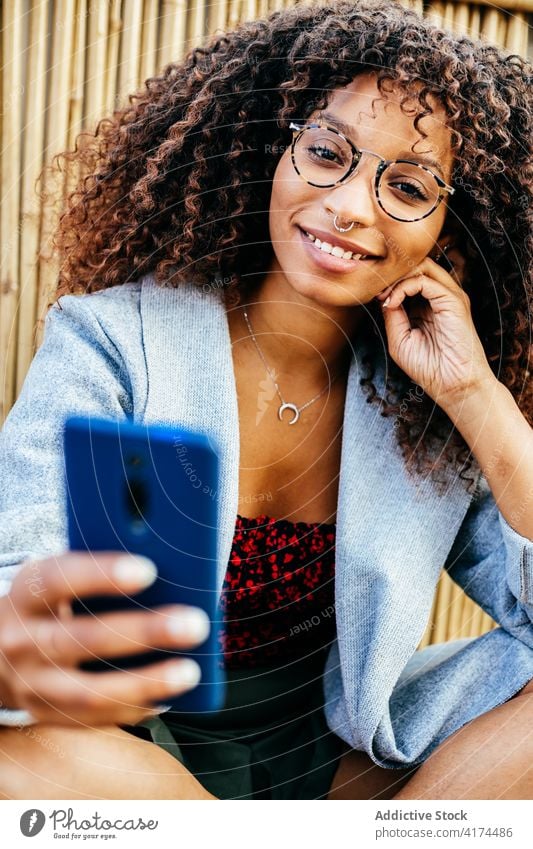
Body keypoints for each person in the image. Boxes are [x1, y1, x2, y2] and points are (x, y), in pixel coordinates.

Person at [0, 0, 532, 800]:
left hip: (330, 766)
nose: (352, 205)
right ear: (266, 154)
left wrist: (477, 396)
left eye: (409, 185)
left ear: (451, 232)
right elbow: (20, 586)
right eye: (326, 152)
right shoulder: (115, 340)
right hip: (121, 750)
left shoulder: (424, 408)